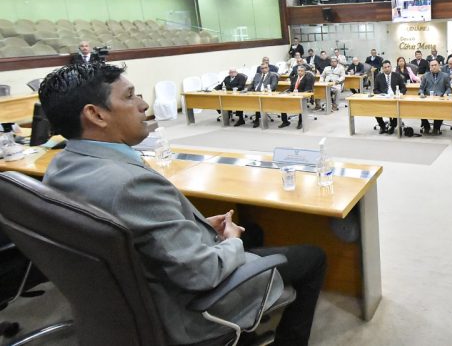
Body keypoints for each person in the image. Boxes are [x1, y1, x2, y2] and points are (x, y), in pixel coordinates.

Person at [38, 63, 326, 345]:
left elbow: (137, 227)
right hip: (181, 307)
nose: (142, 103)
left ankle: (247, 329)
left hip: (120, 300)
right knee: (312, 256)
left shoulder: (60, 166)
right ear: (96, 115)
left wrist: (194, 224)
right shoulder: (130, 184)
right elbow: (203, 273)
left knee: (252, 229)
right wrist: (232, 242)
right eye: (130, 96)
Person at [418, 59, 451, 135]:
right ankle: (426, 126)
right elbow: (421, 88)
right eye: (432, 65)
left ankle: (436, 128)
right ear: (430, 67)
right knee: (419, 109)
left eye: (435, 65)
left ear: (439, 66)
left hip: (440, 98)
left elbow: (449, 88)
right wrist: (421, 93)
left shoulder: (445, 75)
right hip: (428, 98)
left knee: (440, 111)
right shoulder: (426, 75)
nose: (434, 67)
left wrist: (446, 94)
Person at [373, 60, 406, 134]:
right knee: (375, 110)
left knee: (397, 110)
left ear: (391, 67)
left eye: (388, 67)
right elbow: (375, 90)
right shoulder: (379, 77)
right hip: (384, 98)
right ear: (382, 68)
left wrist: (400, 93)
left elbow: (404, 88)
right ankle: (382, 126)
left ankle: (393, 126)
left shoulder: (397, 75)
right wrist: (382, 95)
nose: (387, 69)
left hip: (395, 98)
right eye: (385, 67)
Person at [280, 65, 315, 129]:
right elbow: (291, 88)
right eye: (298, 71)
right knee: (282, 103)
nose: (300, 72)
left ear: (305, 72)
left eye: (302, 71)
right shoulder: (295, 77)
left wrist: (298, 95)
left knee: (301, 103)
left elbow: (307, 90)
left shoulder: (308, 78)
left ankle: (300, 122)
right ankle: (285, 121)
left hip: (302, 97)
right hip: (293, 95)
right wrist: (287, 92)